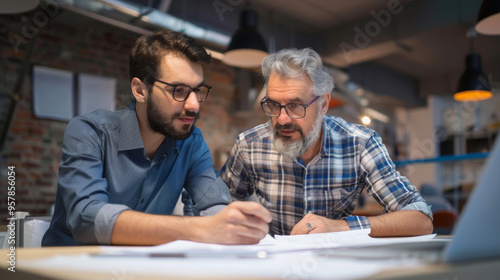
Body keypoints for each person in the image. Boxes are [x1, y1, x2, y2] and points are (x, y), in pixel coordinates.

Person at [42, 30, 271, 246]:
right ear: (140, 90)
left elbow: (213, 207)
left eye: (197, 91)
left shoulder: (191, 142)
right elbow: (87, 219)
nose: (193, 105)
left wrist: (237, 222)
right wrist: (200, 228)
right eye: (178, 90)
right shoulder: (90, 132)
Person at [219, 48, 433, 237]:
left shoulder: (360, 144)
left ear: (323, 104)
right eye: (274, 105)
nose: (282, 119)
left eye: (295, 106)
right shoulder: (250, 145)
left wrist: (341, 227)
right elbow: (213, 208)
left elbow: (420, 218)